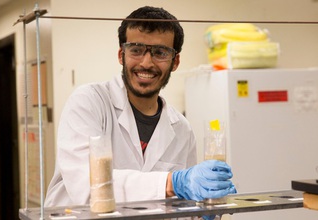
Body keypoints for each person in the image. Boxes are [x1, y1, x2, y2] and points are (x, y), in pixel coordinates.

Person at [45, 5, 236, 210]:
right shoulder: (89, 103)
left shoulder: (182, 129)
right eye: (136, 50)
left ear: (175, 61)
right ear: (121, 55)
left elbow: (181, 205)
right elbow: (89, 187)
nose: (146, 63)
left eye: (160, 52)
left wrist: (202, 209)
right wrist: (172, 182)